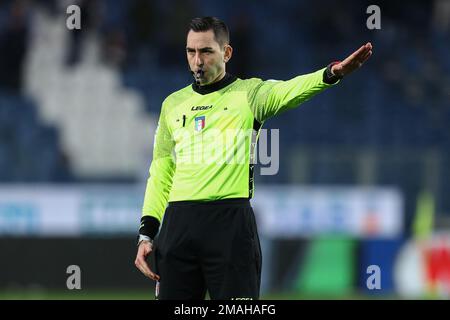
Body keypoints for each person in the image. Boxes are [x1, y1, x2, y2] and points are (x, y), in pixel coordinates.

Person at [134, 16, 372, 300]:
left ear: (226, 52)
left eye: (206, 51)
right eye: (191, 51)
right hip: (178, 226)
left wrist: (331, 74)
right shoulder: (171, 104)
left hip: (230, 225)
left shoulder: (249, 95)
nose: (197, 61)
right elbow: (160, 171)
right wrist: (147, 234)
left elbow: (290, 90)